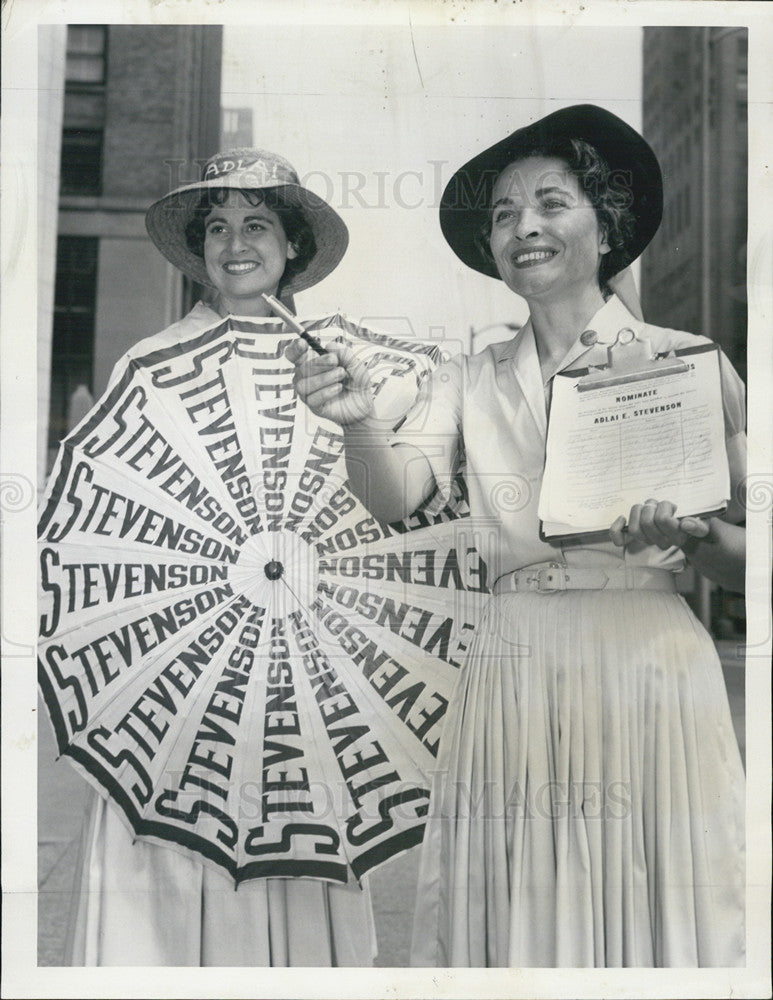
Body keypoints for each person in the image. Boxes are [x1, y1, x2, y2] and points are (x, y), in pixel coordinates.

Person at [286, 106, 746, 967]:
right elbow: (394, 497)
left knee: (661, 912)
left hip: (647, 661)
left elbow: (752, 558)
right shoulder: (463, 378)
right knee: (516, 926)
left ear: (604, 228)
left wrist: (696, 538)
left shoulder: (689, 360)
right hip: (513, 668)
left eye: (548, 203)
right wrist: (354, 424)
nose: (522, 226)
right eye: (502, 214)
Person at [62, 148, 378, 966]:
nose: (236, 242)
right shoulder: (149, 364)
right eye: (218, 226)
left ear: (292, 246)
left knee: (292, 863)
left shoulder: (338, 365)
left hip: (297, 663)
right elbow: (114, 520)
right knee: (167, 872)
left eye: (258, 223)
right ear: (199, 248)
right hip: (174, 665)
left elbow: (364, 516)